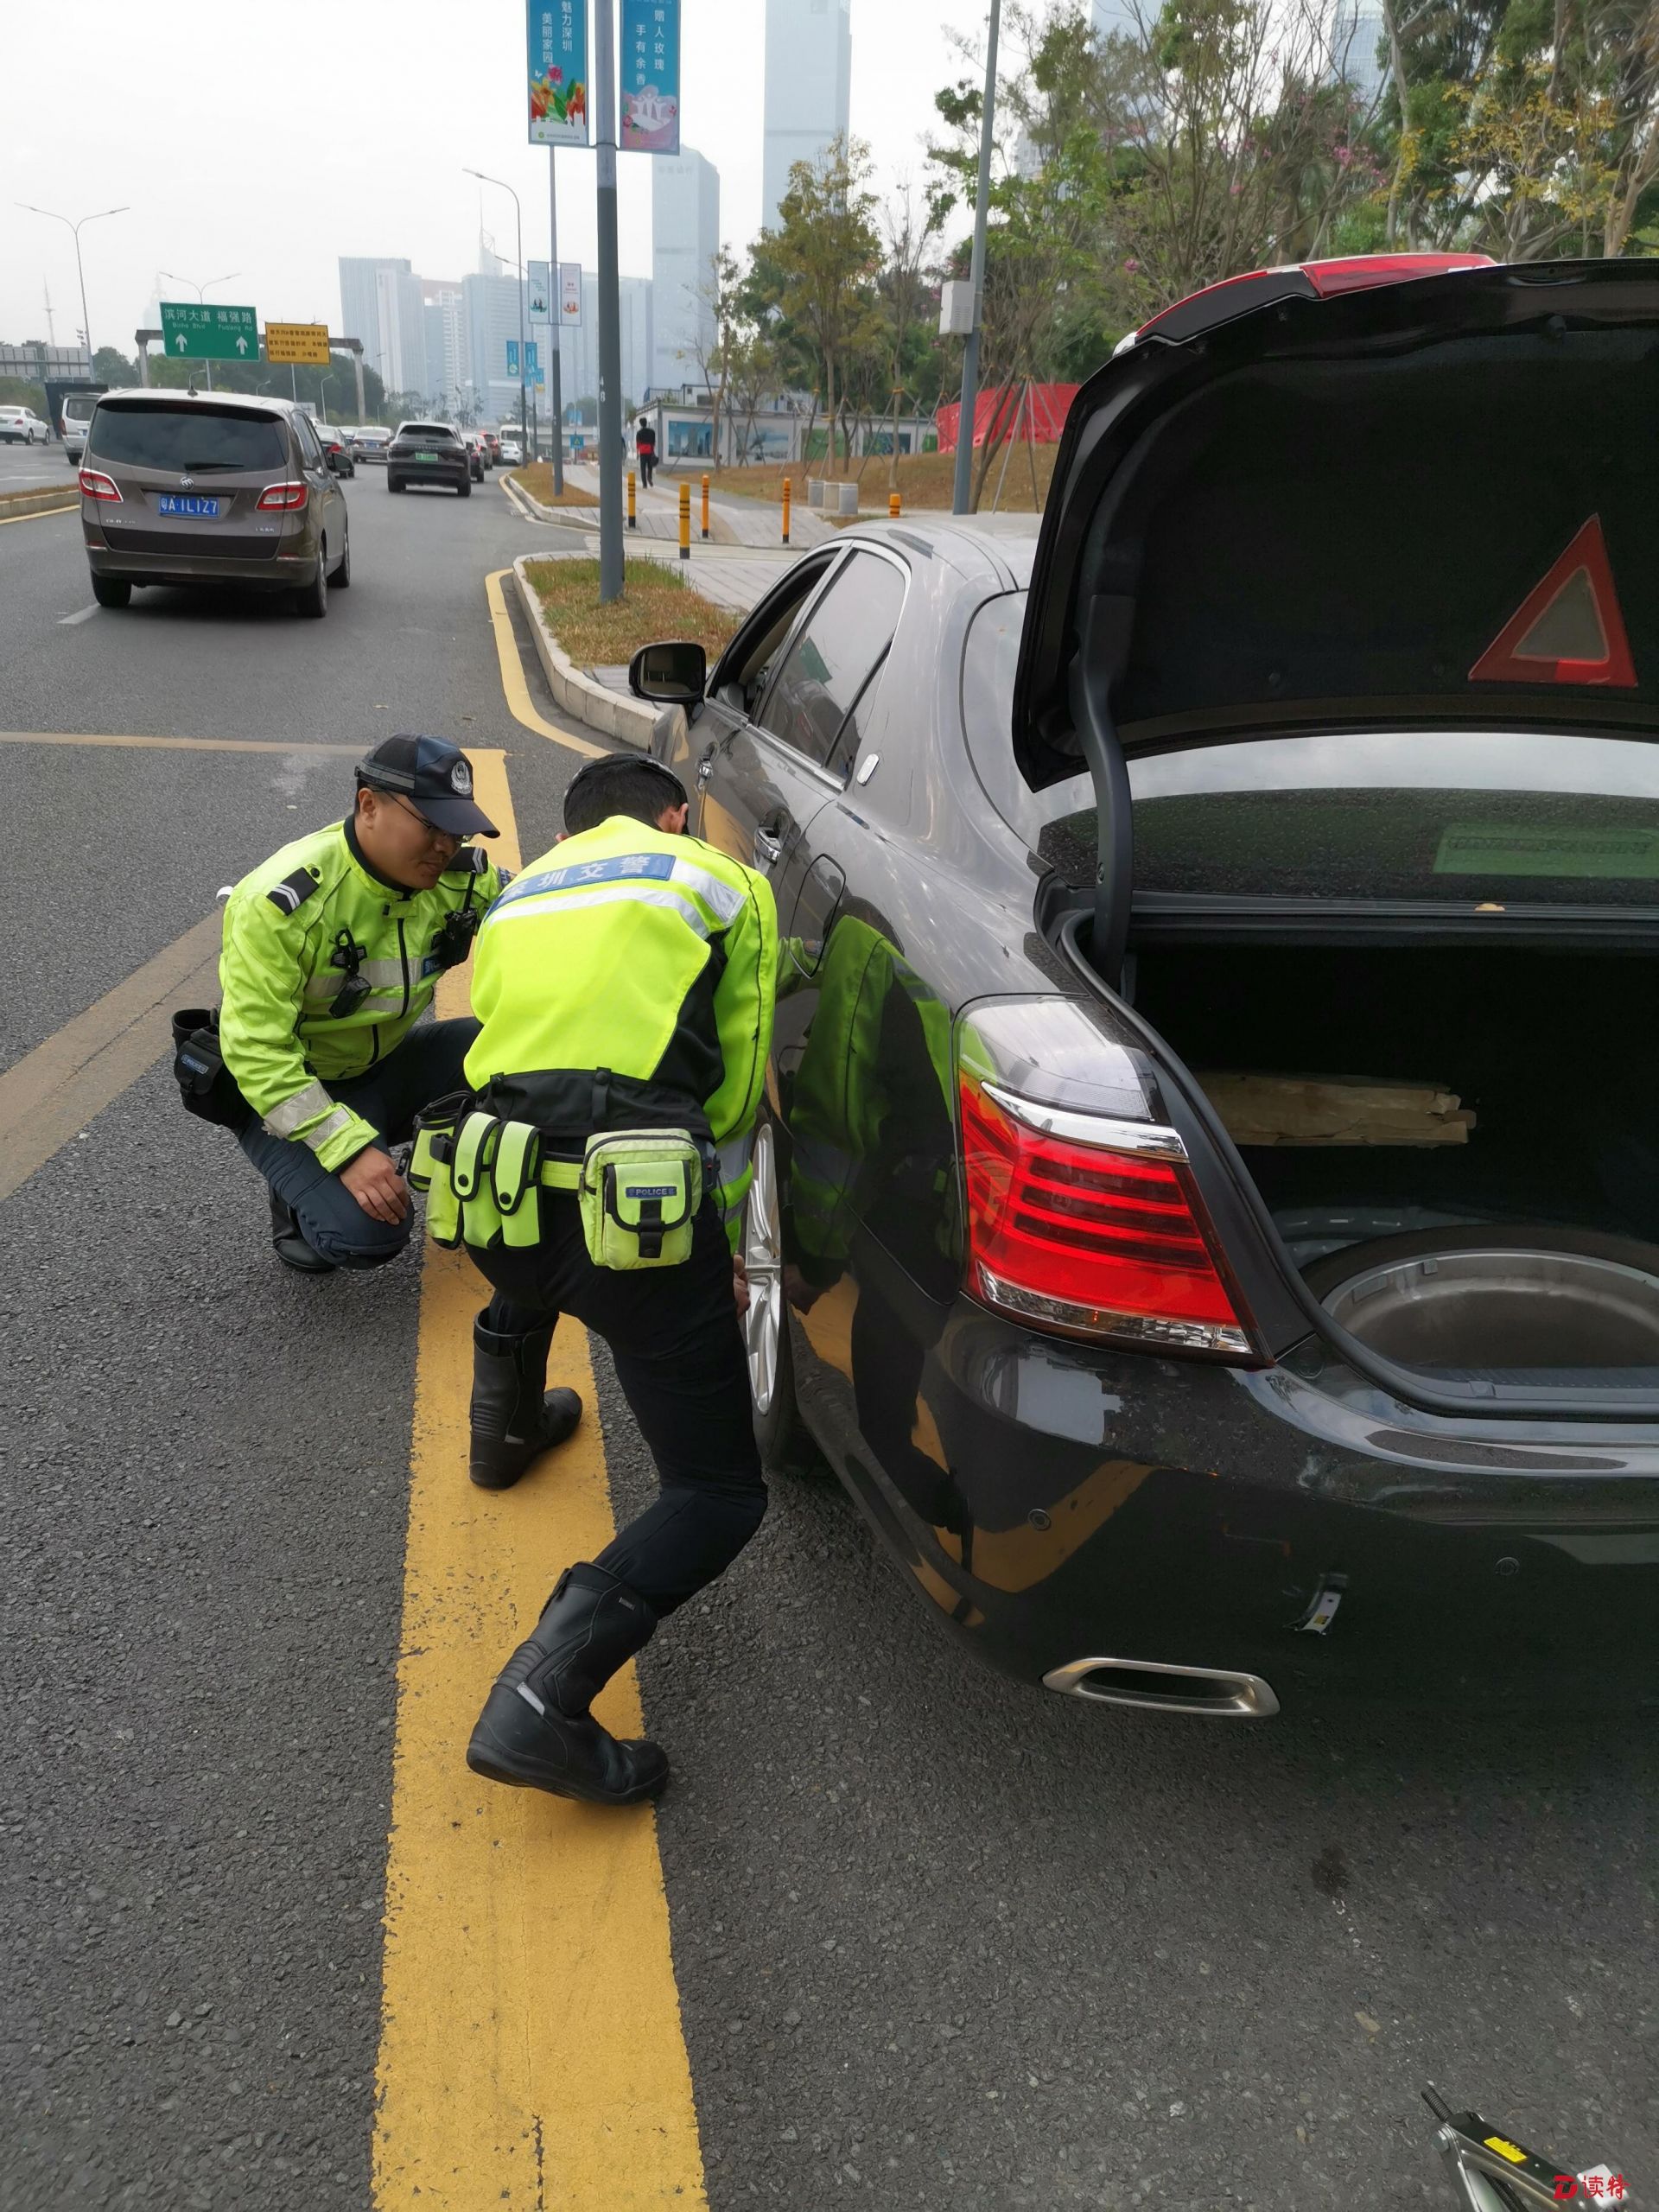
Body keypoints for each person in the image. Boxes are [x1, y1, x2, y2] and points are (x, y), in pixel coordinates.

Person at [439, 752, 778, 1807]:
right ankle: (541, 1698)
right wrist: (721, 1242)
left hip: (496, 1203)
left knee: (544, 1232)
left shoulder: (518, 895)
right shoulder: (720, 879)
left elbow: (514, 1046)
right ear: (674, 816)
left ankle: (501, 1434)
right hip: (636, 1227)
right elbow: (735, 1085)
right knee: (716, 1494)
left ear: (571, 831)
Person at [634, 413, 657, 489]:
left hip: (643, 452)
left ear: (641, 424)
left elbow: (638, 444)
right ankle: (649, 477)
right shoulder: (652, 432)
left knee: (643, 468)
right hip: (650, 451)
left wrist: (637, 454)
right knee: (650, 467)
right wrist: (652, 451)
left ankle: (644, 484)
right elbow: (653, 443)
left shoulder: (639, 433)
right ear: (646, 423)